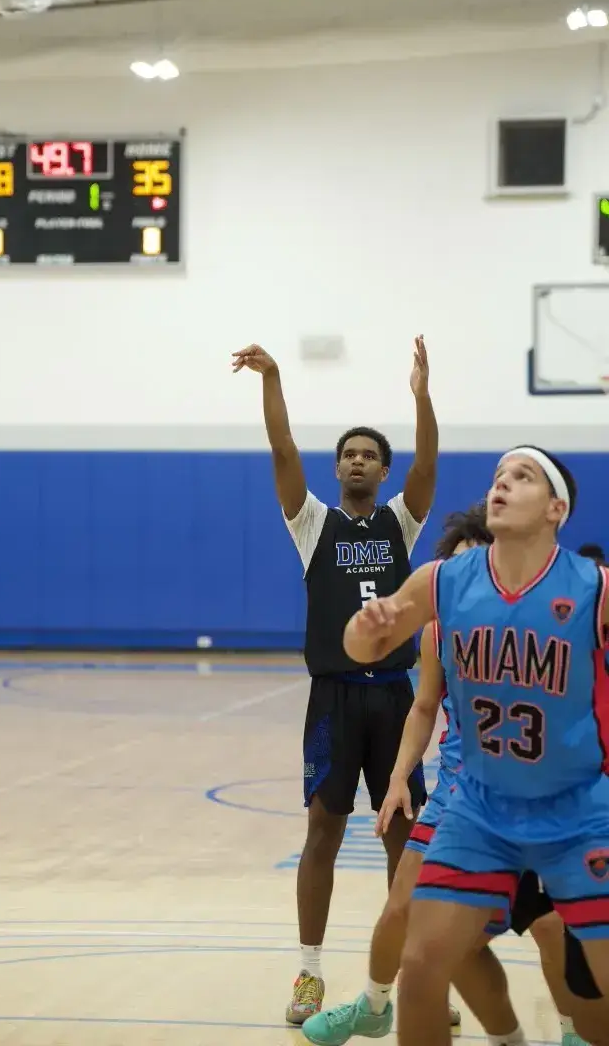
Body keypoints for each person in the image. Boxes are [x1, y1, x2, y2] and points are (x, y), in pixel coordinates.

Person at [341, 445, 609, 1046]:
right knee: (422, 965)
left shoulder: (592, 588)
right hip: (480, 806)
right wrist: (365, 631)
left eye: (522, 477)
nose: (502, 485)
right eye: (497, 477)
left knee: (596, 1012)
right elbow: (365, 650)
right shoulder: (443, 583)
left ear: (556, 508)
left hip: (576, 809)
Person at [232, 337, 438, 1025]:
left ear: (383, 471)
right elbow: (284, 450)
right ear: (339, 467)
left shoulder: (401, 521)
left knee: (402, 833)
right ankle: (311, 973)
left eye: (368, 454)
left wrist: (420, 396)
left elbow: (430, 462)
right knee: (324, 827)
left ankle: (409, 977)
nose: (356, 460)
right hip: (335, 697)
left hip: (396, 698)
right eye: (347, 452)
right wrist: (274, 379)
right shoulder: (312, 522)